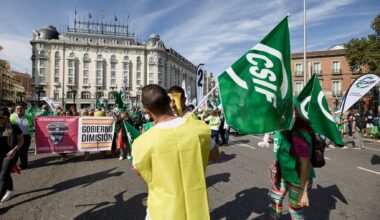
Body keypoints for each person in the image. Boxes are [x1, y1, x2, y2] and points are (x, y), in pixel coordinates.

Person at [132, 84, 219, 220]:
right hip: (196, 209)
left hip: (162, 211)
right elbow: (215, 155)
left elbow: (139, 170)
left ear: (147, 111)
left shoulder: (141, 142)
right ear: (169, 100)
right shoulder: (200, 129)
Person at [270, 106, 315, 220]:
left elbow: (305, 165)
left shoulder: (298, 135)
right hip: (284, 174)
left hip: (299, 179)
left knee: (294, 209)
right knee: (275, 200)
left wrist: (303, 192)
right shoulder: (283, 130)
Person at [0, 108, 24, 203]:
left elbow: (21, 141)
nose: (1, 120)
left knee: (4, 174)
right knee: (4, 173)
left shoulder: (14, 127)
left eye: (3, 118)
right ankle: (11, 191)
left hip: (10, 154)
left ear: (8, 118)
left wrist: (14, 149)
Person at [10, 104, 34, 169]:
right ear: (15, 110)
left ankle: (24, 165)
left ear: (24, 110)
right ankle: (12, 165)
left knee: (24, 151)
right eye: (17, 108)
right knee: (15, 151)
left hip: (26, 136)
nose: (19, 110)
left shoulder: (28, 116)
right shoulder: (11, 117)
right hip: (15, 137)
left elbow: (33, 124)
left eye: (21, 108)